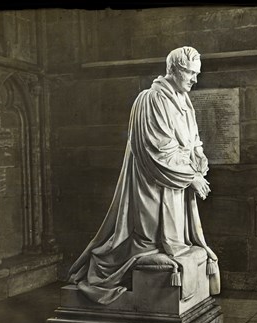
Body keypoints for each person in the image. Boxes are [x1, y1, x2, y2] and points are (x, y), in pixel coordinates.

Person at [68, 46, 219, 304]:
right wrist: (191, 176)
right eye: (191, 73)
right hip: (152, 184)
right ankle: (115, 268)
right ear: (174, 70)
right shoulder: (151, 99)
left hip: (175, 185)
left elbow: (192, 140)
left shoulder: (183, 100)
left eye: (197, 73)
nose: (195, 79)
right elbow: (156, 151)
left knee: (174, 240)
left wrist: (199, 158)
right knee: (147, 240)